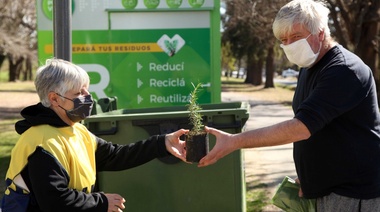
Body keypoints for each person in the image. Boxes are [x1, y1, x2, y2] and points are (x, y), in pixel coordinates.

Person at [199, 0, 380, 211]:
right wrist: (310, 177)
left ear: (320, 33)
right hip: (327, 190)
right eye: (283, 40)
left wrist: (234, 141)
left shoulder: (344, 70)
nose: (289, 45)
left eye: (295, 37)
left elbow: (301, 128)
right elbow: (324, 129)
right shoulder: (309, 66)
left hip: (354, 194)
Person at [0, 58, 188, 212]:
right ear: (54, 99)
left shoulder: (77, 130)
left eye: (86, 89)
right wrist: (102, 202)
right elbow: (55, 201)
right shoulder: (41, 143)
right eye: (79, 92)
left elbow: (115, 156)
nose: (87, 96)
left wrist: (162, 143)